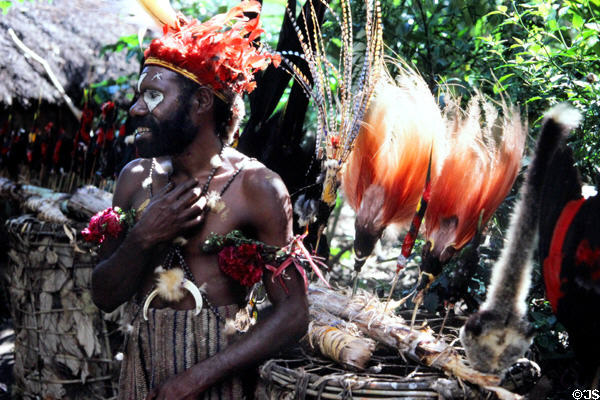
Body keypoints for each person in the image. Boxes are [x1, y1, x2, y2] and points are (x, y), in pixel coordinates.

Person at [89, 2, 309, 399]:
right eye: (141, 96)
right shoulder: (135, 179)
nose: (137, 108)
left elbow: (293, 313)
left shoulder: (257, 187)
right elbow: (104, 296)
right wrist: (143, 237)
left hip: (221, 382)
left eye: (154, 96)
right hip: (142, 377)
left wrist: (198, 378)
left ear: (201, 102)